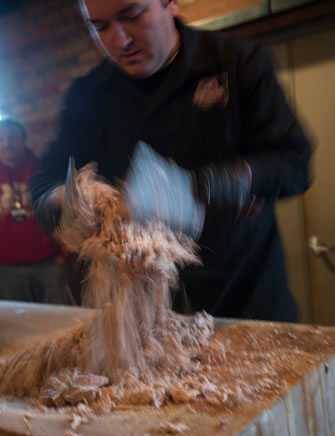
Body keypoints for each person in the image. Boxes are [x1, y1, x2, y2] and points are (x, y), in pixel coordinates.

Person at [31, 0, 313, 321]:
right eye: (100, 27)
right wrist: (73, 198)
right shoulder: (89, 95)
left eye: (132, 15)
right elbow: (43, 186)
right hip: (142, 312)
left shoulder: (237, 63)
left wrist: (207, 185)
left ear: (171, 3)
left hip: (244, 300)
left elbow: (294, 164)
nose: (120, 41)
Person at [0, 118, 67, 304]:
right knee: (20, 324)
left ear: (23, 140)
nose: (7, 144)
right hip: (6, 266)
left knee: (60, 321)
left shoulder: (43, 170)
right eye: (1, 139)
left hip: (48, 261)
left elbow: (65, 209)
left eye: (12, 138)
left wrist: (64, 251)